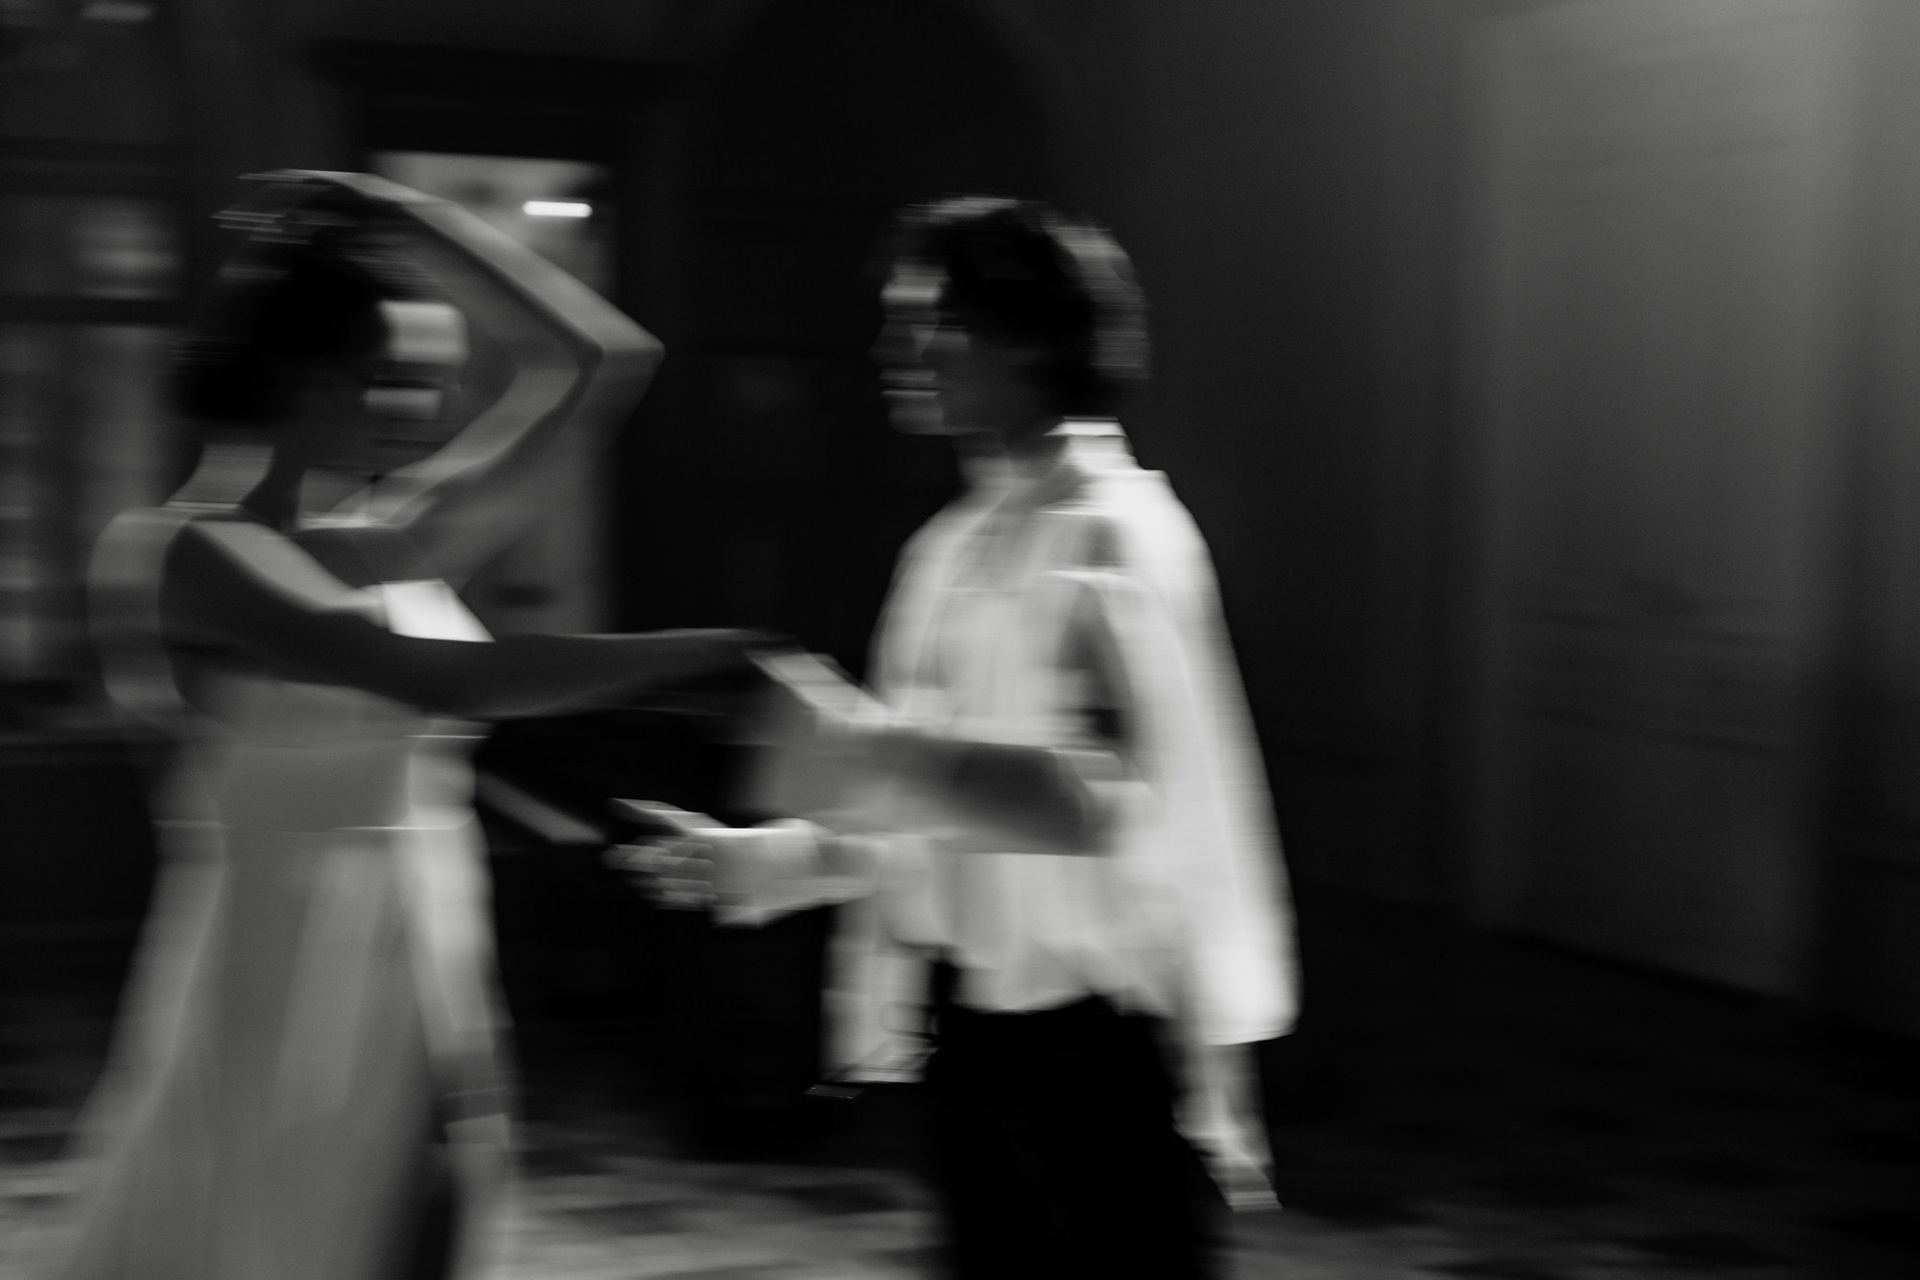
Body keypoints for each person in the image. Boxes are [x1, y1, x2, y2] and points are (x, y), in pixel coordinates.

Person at [58, 171, 759, 1280]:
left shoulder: (392, 535)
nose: (425, 409)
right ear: (304, 376)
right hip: (280, 940)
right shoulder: (183, 550)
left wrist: (418, 222)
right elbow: (430, 675)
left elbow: (604, 360)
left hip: (423, 919)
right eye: (392, 379)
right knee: (288, 1225)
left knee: (436, 1205)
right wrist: (692, 655)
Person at [624, 196, 1299, 1279]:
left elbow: (1101, 803)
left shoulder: (1112, 532)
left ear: (1028, 337)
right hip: (977, 1040)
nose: (894, 351)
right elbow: (934, 807)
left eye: (927, 322)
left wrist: (840, 740)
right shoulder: (954, 542)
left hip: (1099, 1051)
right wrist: (768, 860)